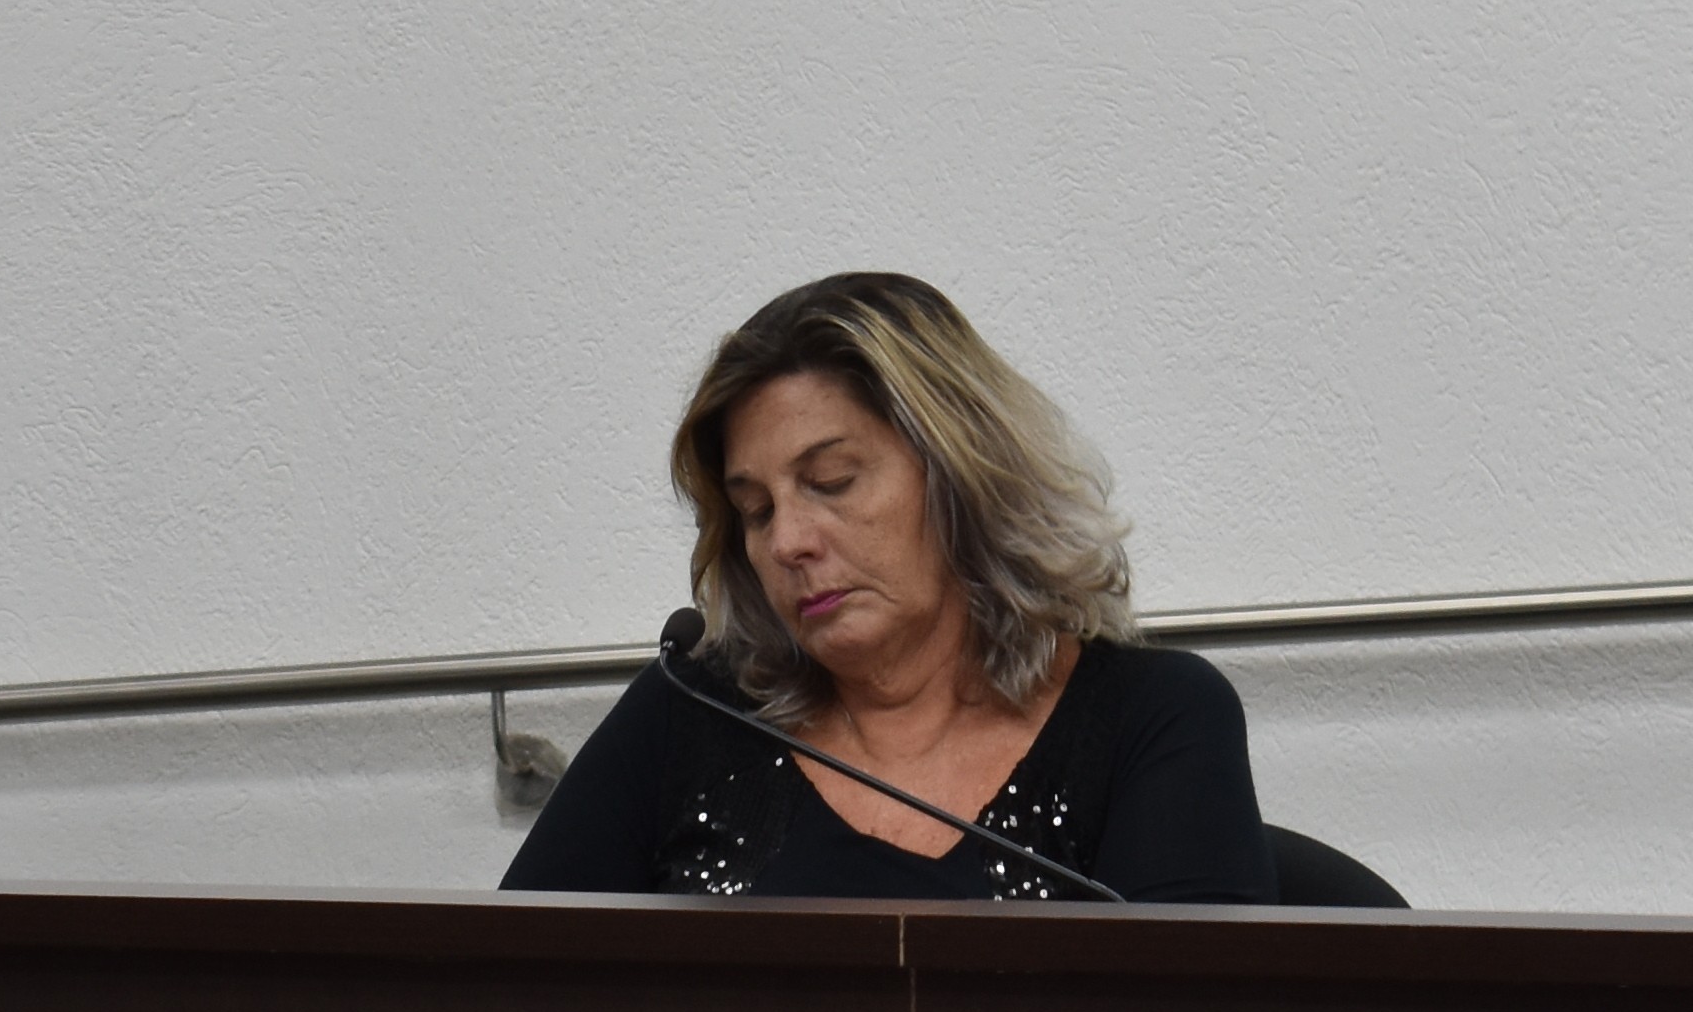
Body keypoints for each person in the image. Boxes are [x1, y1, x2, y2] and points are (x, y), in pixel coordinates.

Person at [507, 271, 1273, 903]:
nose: (788, 542)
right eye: (756, 511)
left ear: (961, 474)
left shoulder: (1151, 719)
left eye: (831, 482)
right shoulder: (694, 711)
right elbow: (503, 991)